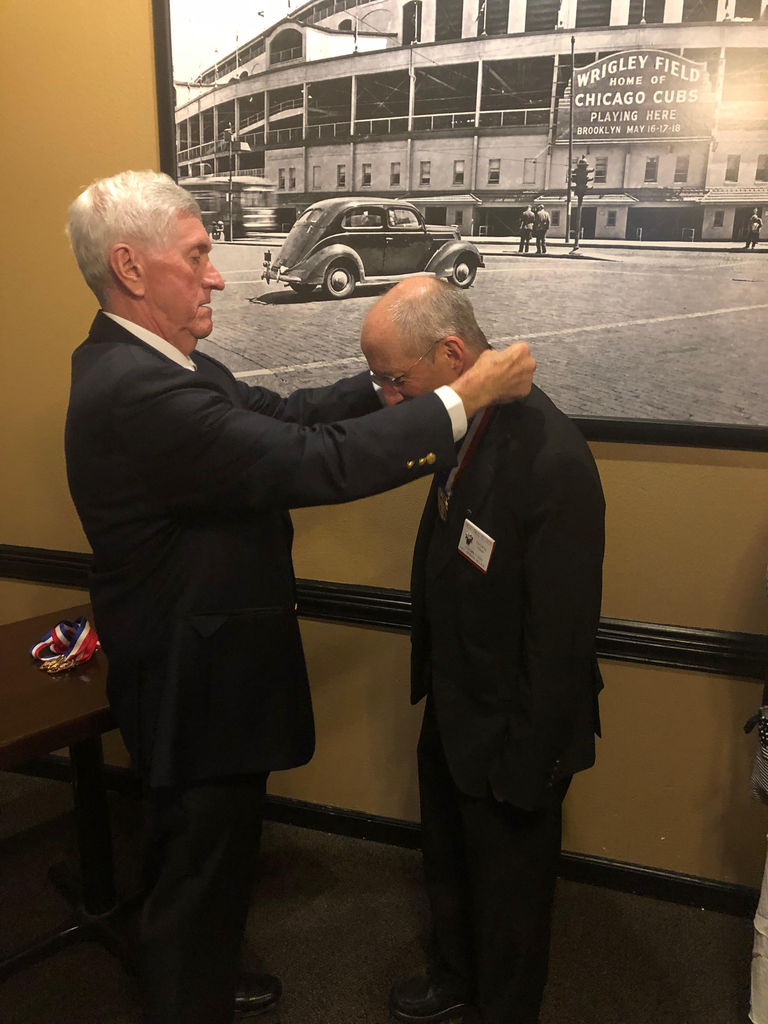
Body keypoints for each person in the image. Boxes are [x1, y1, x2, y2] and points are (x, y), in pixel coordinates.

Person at [63, 170, 535, 1024]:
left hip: (202, 668)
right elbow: (312, 464)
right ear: (130, 269)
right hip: (191, 679)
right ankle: (185, 992)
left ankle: (198, 969)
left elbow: (284, 414)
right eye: (199, 254)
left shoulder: (159, 364)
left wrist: (384, 372)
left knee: (207, 862)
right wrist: (458, 398)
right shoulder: (139, 390)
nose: (217, 274)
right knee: (195, 874)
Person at [360, 276, 605, 1024]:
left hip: (516, 727)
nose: (388, 400)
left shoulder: (549, 457)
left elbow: (560, 636)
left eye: (394, 379)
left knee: (512, 898)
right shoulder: (460, 424)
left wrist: (527, 761)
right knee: (450, 858)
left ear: (453, 352)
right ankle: (455, 975)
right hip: (456, 699)